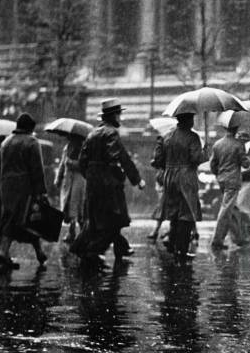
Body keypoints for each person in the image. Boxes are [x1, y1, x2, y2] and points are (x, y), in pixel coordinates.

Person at [78, 98, 145, 263]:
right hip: (109, 184)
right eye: (118, 114)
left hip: (93, 184)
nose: (120, 118)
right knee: (114, 218)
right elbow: (117, 158)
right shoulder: (111, 133)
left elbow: (82, 161)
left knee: (99, 219)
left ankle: (121, 248)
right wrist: (127, 178)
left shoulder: (92, 134)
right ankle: (90, 250)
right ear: (113, 116)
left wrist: (91, 177)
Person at [0, 113, 48, 269]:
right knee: (27, 219)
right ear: (30, 128)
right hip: (24, 187)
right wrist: (41, 191)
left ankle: (38, 253)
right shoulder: (32, 142)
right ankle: (4, 252)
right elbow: (37, 169)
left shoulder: (6, 142)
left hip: (6, 187)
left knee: (15, 217)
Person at [152, 112, 206, 259]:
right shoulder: (192, 137)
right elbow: (196, 159)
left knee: (174, 212)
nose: (193, 121)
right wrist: (204, 152)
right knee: (187, 214)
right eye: (192, 118)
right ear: (188, 120)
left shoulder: (166, 136)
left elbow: (158, 160)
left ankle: (173, 242)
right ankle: (181, 250)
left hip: (169, 176)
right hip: (186, 176)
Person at [209, 123, 250, 249]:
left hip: (222, 180)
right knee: (226, 210)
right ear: (236, 129)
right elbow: (246, 164)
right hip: (233, 181)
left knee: (232, 209)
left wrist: (220, 174)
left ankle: (238, 238)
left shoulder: (217, 144)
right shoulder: (238, 145)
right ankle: (217, 240)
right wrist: (248, 155)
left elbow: (213, 165)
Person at [55, 134, 87, 243]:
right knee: (68, 206)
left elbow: (83, 165)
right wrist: (58, 178)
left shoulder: (84, 148)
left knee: (78, 207)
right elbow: (62, 164)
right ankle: (72, 231)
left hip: (79, 180)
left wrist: (71, 163)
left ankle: (82, 232)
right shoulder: (67, 148)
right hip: (68, 179)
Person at [148, 136, 167, 243]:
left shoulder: (163, 142)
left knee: (163, 204)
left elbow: (157, 160)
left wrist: (154, 162)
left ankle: (156, 230)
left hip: (165, 177)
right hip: (173, 177)